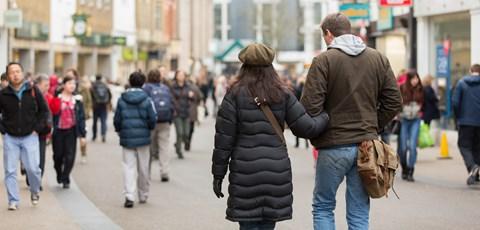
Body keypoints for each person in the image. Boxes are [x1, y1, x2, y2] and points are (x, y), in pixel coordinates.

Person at [211, 43, 330, 230]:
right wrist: (325, 115)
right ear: (270, 66)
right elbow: (306, 128)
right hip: (276, 172)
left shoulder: (234, 95)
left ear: (244, 66)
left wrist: (218, 174)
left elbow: (223, 139)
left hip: (245, 172)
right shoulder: (283, 93)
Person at [300, 13, 402, 230]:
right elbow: (394, 101)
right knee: (358, 211)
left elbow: (310, 107)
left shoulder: (323, 61)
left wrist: (322, 126)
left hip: (332, 145)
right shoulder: (377, 58)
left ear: (328, 33)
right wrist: (373, 125)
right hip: (366, 146)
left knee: (323, 206)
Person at [0, 62, 50, 210]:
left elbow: (44, 111)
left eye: (18, 71)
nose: (15, 74)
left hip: (30, 135)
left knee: (33, 169)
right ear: (8, 76)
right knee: (10, 170)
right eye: (12, 72)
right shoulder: (3, 94)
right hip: (11, 137)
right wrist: (3, 130)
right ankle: (13, 200)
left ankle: (34, 191)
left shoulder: (33, 90)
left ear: (22, 73)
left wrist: (37, 128)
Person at [114, 71, 157, 208]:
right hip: (144, 138)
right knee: (143, 167)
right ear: (143, 83)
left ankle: (129, 195)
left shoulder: (122, 99)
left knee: (128, 166)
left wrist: (120, 130)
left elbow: (117, 119)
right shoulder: (147, 99)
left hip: (127, 137)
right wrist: (149, 129)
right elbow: (152, 119)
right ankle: (143, 194)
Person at [50, 76, 86, 189]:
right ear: (64, 85)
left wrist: (82, 135)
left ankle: (66, 178)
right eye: (70, 83)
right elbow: (52, 113)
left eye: (74, 84)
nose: (72, 86)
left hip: (71, 131)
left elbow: (81, 118)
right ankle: (59, 173)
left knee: (70, 156)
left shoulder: (78, 100)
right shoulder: (57, 98)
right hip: (58, 131)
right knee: (58, 156)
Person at [143, 69, 175, 182]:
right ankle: (164, 172)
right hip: (165, 121)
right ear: (159, 78)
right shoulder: (165, 88)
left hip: (150, 122)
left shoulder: (146, 88)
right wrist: (170, 119)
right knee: (164, 148)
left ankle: (146, 172)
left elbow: (144, 105)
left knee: (148, 148)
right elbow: (172, 104)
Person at [453, 64, 480, 185]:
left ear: (470, 71)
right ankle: (476, 175)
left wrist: (458, 117)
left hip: (466, 121)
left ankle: (472, 167)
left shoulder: (462, 83)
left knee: (464, 145)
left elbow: (455, 102)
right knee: (477, 147)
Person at [398, 70, 424, 182]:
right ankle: (404, 167)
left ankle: (410, 170)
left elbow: (426, 103)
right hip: (404, 120)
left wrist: (422, 113)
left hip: (416, 120)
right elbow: (396, 102)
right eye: (413, 78)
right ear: (409, 79)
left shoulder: (421, 89)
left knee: (413, 146)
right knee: (403, 148)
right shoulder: (402, 88)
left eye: (417, 78)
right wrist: (398, 114)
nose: (415, 80)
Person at [67, 69, 92, 164]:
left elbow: (89, 101)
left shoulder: (82, 88)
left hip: (82, 117)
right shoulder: (64, 88)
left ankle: (83, 153)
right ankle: (68, 156)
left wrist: (85, 113)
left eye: (71, 75)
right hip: (70, 118)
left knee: (83, 138)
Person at [171, 70, 194, 159]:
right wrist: (175, 108)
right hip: (177, 113)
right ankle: (179, 151)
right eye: (179, 75)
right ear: (176, 76)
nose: (181, 76)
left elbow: (192, 99)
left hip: (186, 112)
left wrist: (191, 96)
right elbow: (171, 98)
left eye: (182, 75)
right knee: (180, 133)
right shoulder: (173, 86)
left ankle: (177, 144)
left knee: (186, 134)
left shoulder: (188, 86)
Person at [91, 74, 112, 142]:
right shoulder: (105, 85)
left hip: (95, 105)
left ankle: (94, 136)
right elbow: (110, 95)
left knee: (95, 121)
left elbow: (91, 95)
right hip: (103, 105)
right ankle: (103, 135)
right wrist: (108, 102)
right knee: (103, 121)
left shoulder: (93, 85)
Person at [187, 77, 204, 151]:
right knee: (191, 128)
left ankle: (185, 140)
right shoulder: (196, 88)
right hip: (193, 110)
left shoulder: (185, 87)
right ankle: (188, 141)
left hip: (185, 111)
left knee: (186, 128)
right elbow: (201, 97)